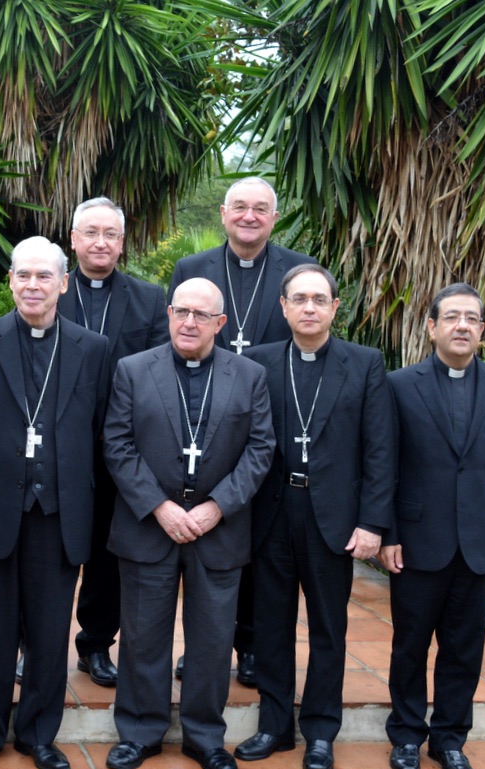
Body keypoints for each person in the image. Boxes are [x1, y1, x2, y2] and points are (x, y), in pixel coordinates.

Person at [0, 236, 109, 769]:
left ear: (65, 282)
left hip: (60, 514)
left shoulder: (94, 349)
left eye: (45, 276)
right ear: (10, 280)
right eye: (23, 275)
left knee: (48, 629)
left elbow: (101, 428)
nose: (33, 285)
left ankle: (40, 735)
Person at [100, 278, 272, 769]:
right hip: (149, 528)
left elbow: (260, 450)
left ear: (221, 323)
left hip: (218, 531)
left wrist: (217, 507)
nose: (189, 322)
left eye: (201, 314)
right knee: (142, 638)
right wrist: (159, 507)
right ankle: (139, 732)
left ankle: (204, 738)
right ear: (169, 313)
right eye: (181, 311)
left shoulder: (250, 375)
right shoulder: (133, 370)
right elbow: (117, 444)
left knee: (213, 642)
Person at [235, 264, 395, 769]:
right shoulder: (258, 362)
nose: (309, 307)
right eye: (299, 299)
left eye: (319, 299)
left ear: (333, 308)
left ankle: (321, 732)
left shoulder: (364, 363)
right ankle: (275, 726)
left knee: (329, 629)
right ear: (282, 307)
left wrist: (373, 523)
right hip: (272, 513)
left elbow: (379, 450)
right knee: (270, 627)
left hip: (335, 519)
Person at [169, 177, 316, 687]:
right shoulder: (192, 270)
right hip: (201, 416)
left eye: (260, 208)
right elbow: (179, 335)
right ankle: (201, 647)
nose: (249, 216)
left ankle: (249, 643)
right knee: (200, 546)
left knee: (254, 540)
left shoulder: (295, 270)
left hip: (268, 415)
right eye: (239, 207)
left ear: (274, 218)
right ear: (223, 214)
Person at [379, 282, 485, 769]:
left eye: (472, 319)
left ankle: (449, 740)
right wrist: (389, 533)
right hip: (419, 539)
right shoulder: (400, 385)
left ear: (482, 331)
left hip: (480, 541)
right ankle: (404, 735)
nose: (462, 326)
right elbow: (388, 466)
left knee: (465, 648)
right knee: (410, 644)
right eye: (452, 317)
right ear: (431, 326)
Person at [59, 196, 169, 689]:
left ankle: (96, 644)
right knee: (49, 553)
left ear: (122, 243)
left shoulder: (149, 300)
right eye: (91, 233)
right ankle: (30, 643)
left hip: (121, 451)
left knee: (109, 556)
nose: (101, 242)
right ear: (74, 239)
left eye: (111, 234)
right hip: (60, 452)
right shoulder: (49, 289)